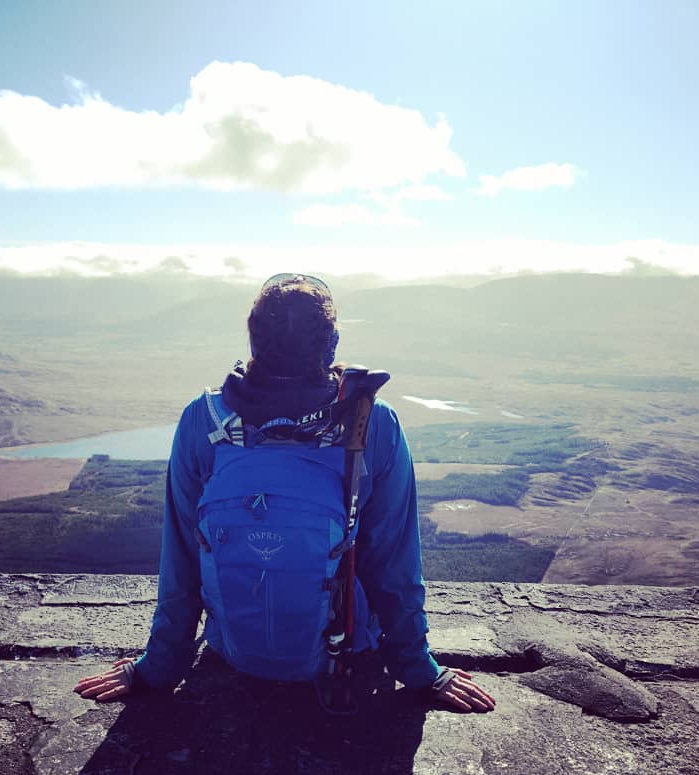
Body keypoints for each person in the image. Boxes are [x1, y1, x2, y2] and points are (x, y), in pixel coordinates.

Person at [75, 274, 495, 713]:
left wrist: (158, 667)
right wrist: (419, 670)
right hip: (342, 658)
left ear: (254, 338)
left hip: (234, 652)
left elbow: (182, 556)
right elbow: (393, 560)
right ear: (330, 343)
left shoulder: (205, 420)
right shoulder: (373, 423)